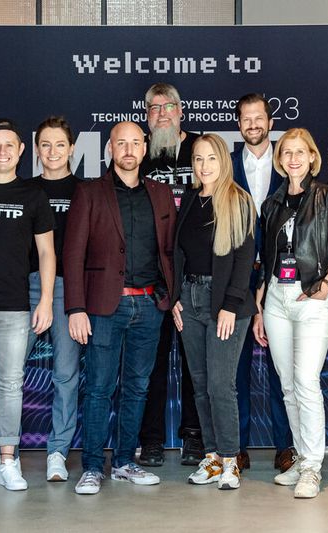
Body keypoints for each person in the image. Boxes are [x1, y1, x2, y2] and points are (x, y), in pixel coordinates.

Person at [64, 121, 176, 495]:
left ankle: (126, 461)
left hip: (148, 304)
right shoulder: (89, 193)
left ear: (144, 149)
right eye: (121, 143)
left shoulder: (161, 194)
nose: (128, 149)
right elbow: (73, 253)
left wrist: (167, 298)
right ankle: (93, 466)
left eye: (135, 143)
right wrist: (76, 307)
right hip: (101, 307)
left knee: (138, 388)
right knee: (98, 388)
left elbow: (170, 251)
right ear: (110, 149)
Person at [252, 128, 328, 498]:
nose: (293, 158)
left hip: (313, 298)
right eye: (286, 152)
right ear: (279, 160)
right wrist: (261, 300)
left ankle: (313, 466)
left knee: (307, 381)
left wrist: (326, 284)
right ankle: (301, 458)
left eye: (300, 152)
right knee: (288, 385)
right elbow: (268, 256)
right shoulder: (272, 203)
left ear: (313, 156)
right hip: (277, 298)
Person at [0, 118, 56, 491]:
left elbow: (47, 252)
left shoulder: (33, 195)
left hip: (16, 306)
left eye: (10, 145)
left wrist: (47, 300)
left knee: (10, 384)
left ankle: (7, 460)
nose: (2, 151)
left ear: (22, 151)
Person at [171, 134, 257, 490]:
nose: (204, 166)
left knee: (222, 385)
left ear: (223, 161)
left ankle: (231, 459)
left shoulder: (239, 200)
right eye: (198, 159)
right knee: (201, 385)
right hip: (188, 300)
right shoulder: (190, 199)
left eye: (211, 159)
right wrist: (175, 297)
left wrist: (230, 307)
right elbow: (178, 253)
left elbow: (243, 259)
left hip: (224, 303)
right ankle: (212, 457)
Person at [138, 82, 203, 467]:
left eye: (168, 107)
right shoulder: (140, 154)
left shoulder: (200, 149)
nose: (161, 113)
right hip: (153, 276)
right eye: (154, 108)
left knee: (197, 365)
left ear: (181, 111)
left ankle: (195, 437)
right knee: (152, 364)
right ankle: (151, 440)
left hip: (195, 274)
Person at [231, 93, 294, 472]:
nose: (252, 125)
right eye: (245, 119)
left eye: (259, 118)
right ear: (239, 124)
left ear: (270, 122)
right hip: (237, 275)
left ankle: (285, 446)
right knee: (234, 368)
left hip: (280, 274)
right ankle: (236, 446)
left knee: (280, 364)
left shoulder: (290, 167)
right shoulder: (226, 167)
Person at [24, 116, 83, 482]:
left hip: (67, 288)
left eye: (59, 144)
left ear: (72, 148)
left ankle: (58, 452)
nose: (52, 151)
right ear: (36, 150)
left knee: (65, 374)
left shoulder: (85, 191)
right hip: (25, 287)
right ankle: (5, 452)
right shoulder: (24, 190)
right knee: (9, 374)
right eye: (45, 145)